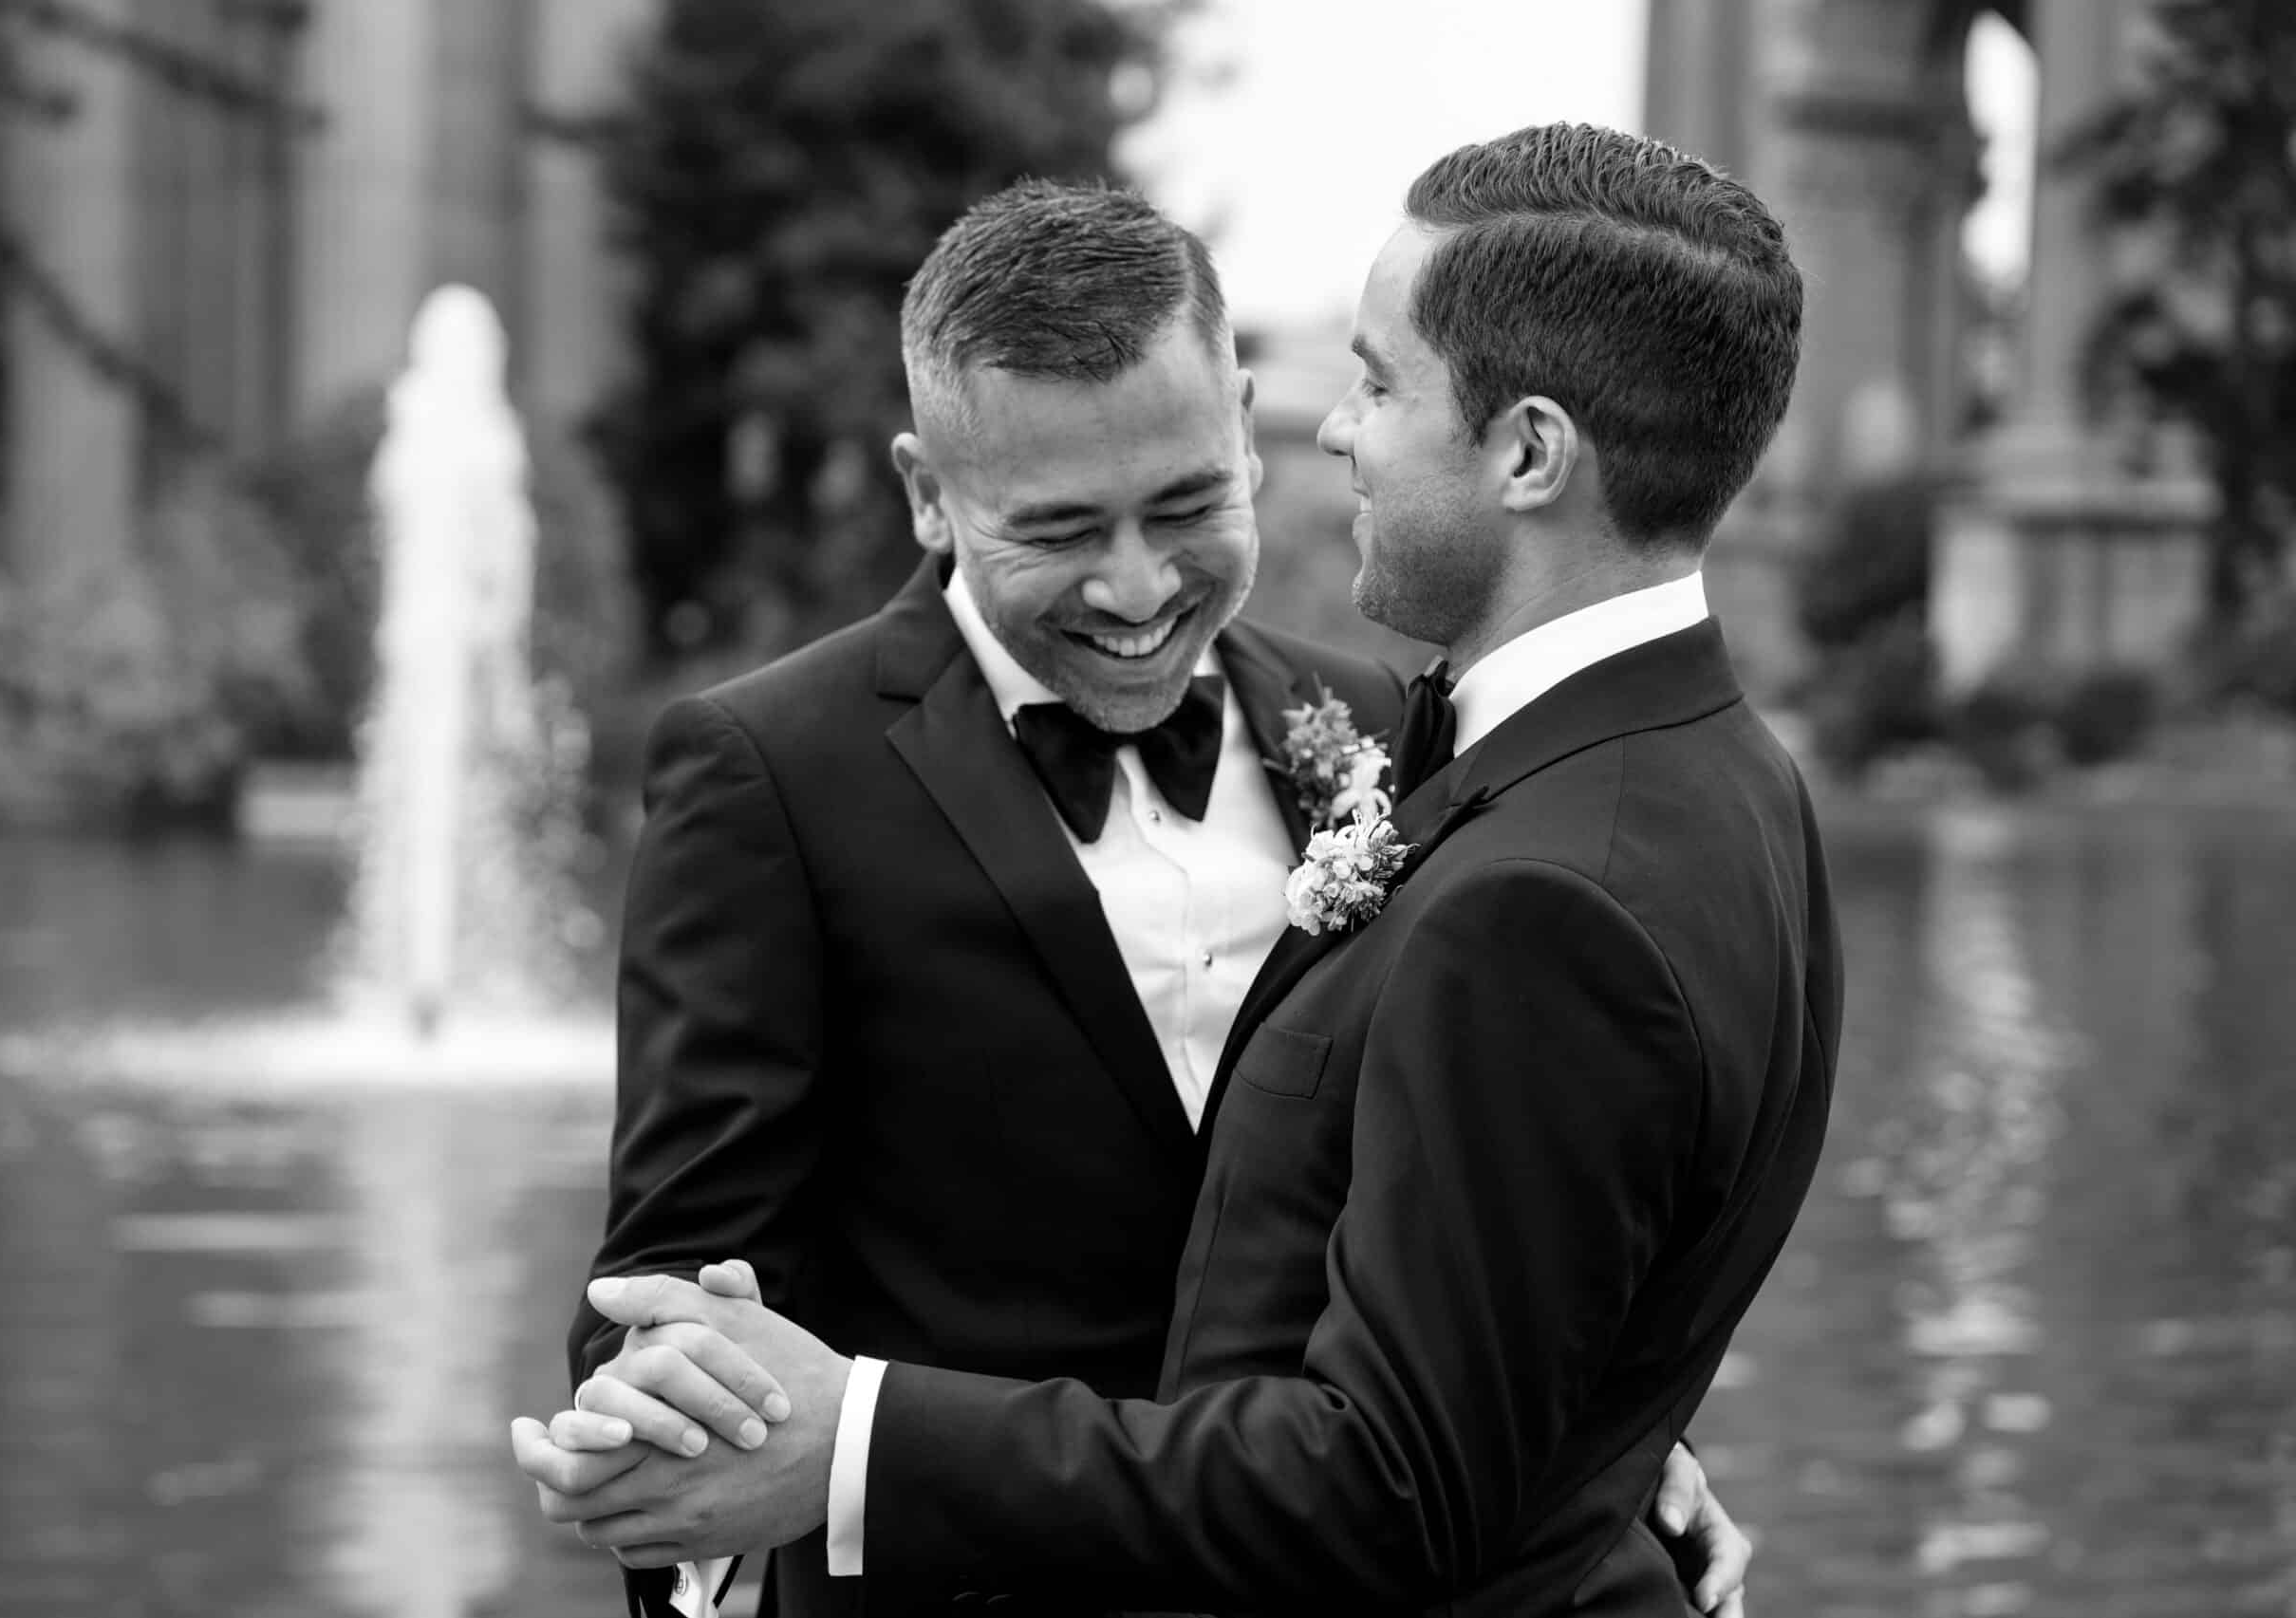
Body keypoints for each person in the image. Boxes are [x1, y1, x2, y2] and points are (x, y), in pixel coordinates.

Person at [516, 126, 1835, 1617]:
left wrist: (1587, 1438)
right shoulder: (768, 778)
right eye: (1062, 529)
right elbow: (674, 1292)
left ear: (1240, 422)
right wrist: (679, 1452)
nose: (1140, 590)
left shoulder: (1388, 735)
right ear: (930, 496)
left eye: (1192, 505)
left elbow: (1487, 1235)